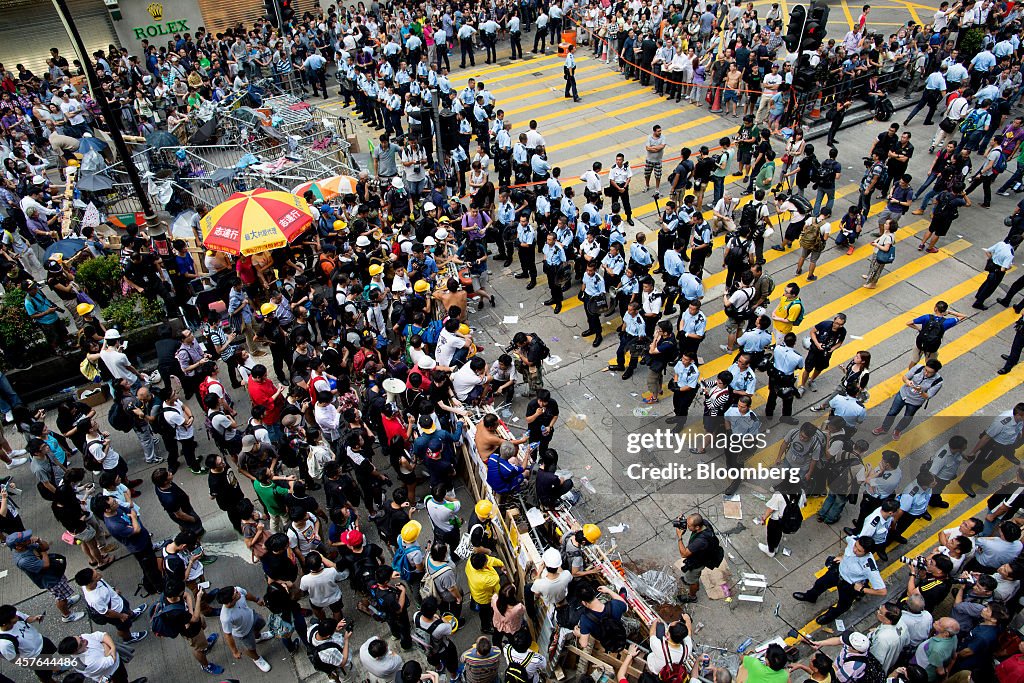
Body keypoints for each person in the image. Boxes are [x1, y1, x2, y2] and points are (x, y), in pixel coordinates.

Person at [793, 535, 887, 625]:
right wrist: (842, 557)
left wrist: (862, 589)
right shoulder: (852, 541)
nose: (854, 550)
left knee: (843, 605)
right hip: (837, 572)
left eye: (859, 551)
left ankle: (830, 616)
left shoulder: (869, 567)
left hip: (849, 585)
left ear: (866, 553)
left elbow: (882, 591)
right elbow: (849, 546)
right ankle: (810, 597)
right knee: (819, 584)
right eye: (855, 546)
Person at [6, 530, 84, 623]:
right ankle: (67, 615)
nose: (28, 539)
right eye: (24, 539)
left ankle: (67, 602)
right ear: (18, 546)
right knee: (60, 597)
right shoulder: (23, 561)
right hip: (49, 579)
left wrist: (39, 541)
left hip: (53, 572)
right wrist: (42, 550)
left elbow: (46, 546)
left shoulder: (27, 546)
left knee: (63, 593)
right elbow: (45, 564)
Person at [873, 359, 944, 440]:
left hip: (915, 402)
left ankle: (898, 430)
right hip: (903, 394)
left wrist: (920, 391)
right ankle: (884, 428)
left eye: (929, 372)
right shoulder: (918, 368)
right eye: (926, 370)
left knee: (907, 417)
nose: (926, 373)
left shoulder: (938, 382)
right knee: (892, 412)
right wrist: (907, 381)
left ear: (935, 372)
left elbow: (928, 396)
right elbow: (905, 377)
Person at [74, 568, 147, 644]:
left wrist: (113, 591)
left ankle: (131, 615)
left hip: (117, 601)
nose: (99, 574)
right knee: (124, 627)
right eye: (96, 576)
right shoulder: (95, 599)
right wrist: (121, 616)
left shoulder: (92, 583)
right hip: (116, 612)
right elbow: (107, 613)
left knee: (127, 608)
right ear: (90, 583)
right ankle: (128, 638)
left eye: (96, 572)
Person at [216, 586, 273, 673]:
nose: (238, 592)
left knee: (261, 624)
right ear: (229, 602)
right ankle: (257, 659)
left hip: (252, 617)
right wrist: (235, 651)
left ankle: (258, 637)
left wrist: (256, 600)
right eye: (235, 593)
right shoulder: (226, 617)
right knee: (250, 648)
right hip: (244, 632)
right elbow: (228, 635)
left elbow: (246, 595)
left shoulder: (237, 590)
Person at [57, 631, 147, 683]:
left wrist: (111, 647)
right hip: (113, 674)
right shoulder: (86, 664)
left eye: (80, 637)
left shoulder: (82, 638)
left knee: (124, 679)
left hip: (115, 665)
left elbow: (102, 635)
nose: (84, 639)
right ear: (75, 652)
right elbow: (111, 660)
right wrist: (105, 644)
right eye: (81, 643)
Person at [675, 514, 719, 604]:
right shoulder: (704, 523)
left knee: (693, 580)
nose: (687, 526)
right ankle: (689, 581)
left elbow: (684, 554)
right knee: (690, 577)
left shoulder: (701, 541)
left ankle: (692, 597)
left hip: (698, 562)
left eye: (689, 525)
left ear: (697, 527)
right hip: (702, 555)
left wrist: (679, 537)